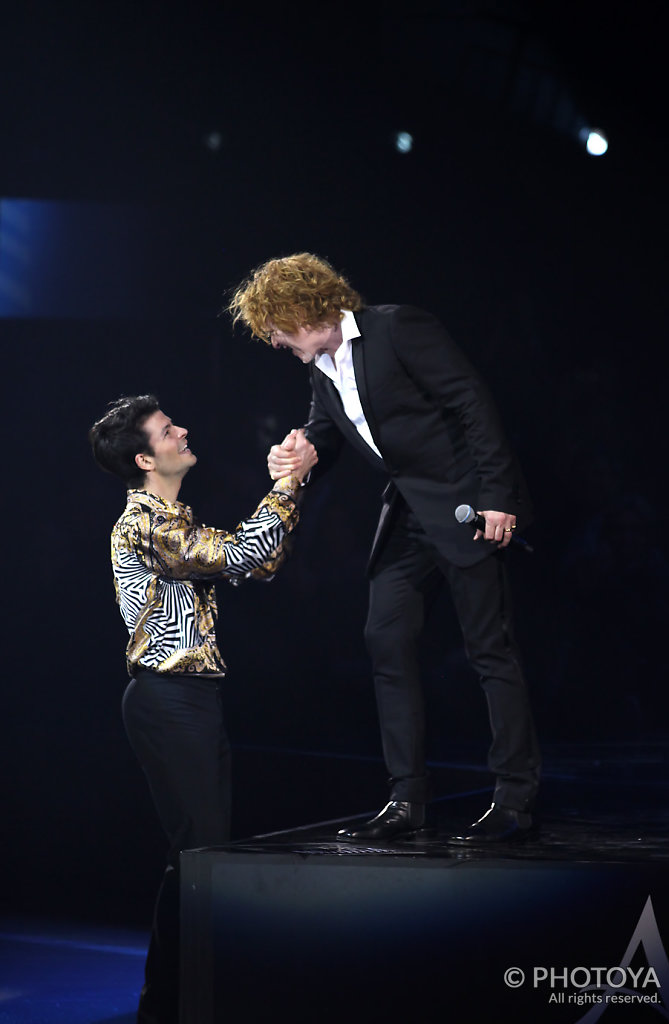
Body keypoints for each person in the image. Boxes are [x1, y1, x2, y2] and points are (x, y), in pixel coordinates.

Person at [228, 253, 540, 845]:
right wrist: (297, 456)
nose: (273, 342)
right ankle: (405, 800)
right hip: (406, 520)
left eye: (274, 328)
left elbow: (471, 401)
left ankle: (515, 800)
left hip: (464, 508)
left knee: (489, 652)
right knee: (385, 639)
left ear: (301, 308)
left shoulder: (397, 328)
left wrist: (499, 495)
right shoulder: (321, 367)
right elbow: (327, 432)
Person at [88, 395, 316, 1024]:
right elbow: (243, 555)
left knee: (197, 853)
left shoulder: (171, 517)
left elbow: (256, 563)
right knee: (204, 852)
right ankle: (180, 1002)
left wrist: (286, 490)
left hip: (190, 697)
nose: (182, 430)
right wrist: (289, 483)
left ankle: (169, 1001)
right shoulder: (146, 522)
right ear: (145, 457)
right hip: (167, 700)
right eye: (168, 431)